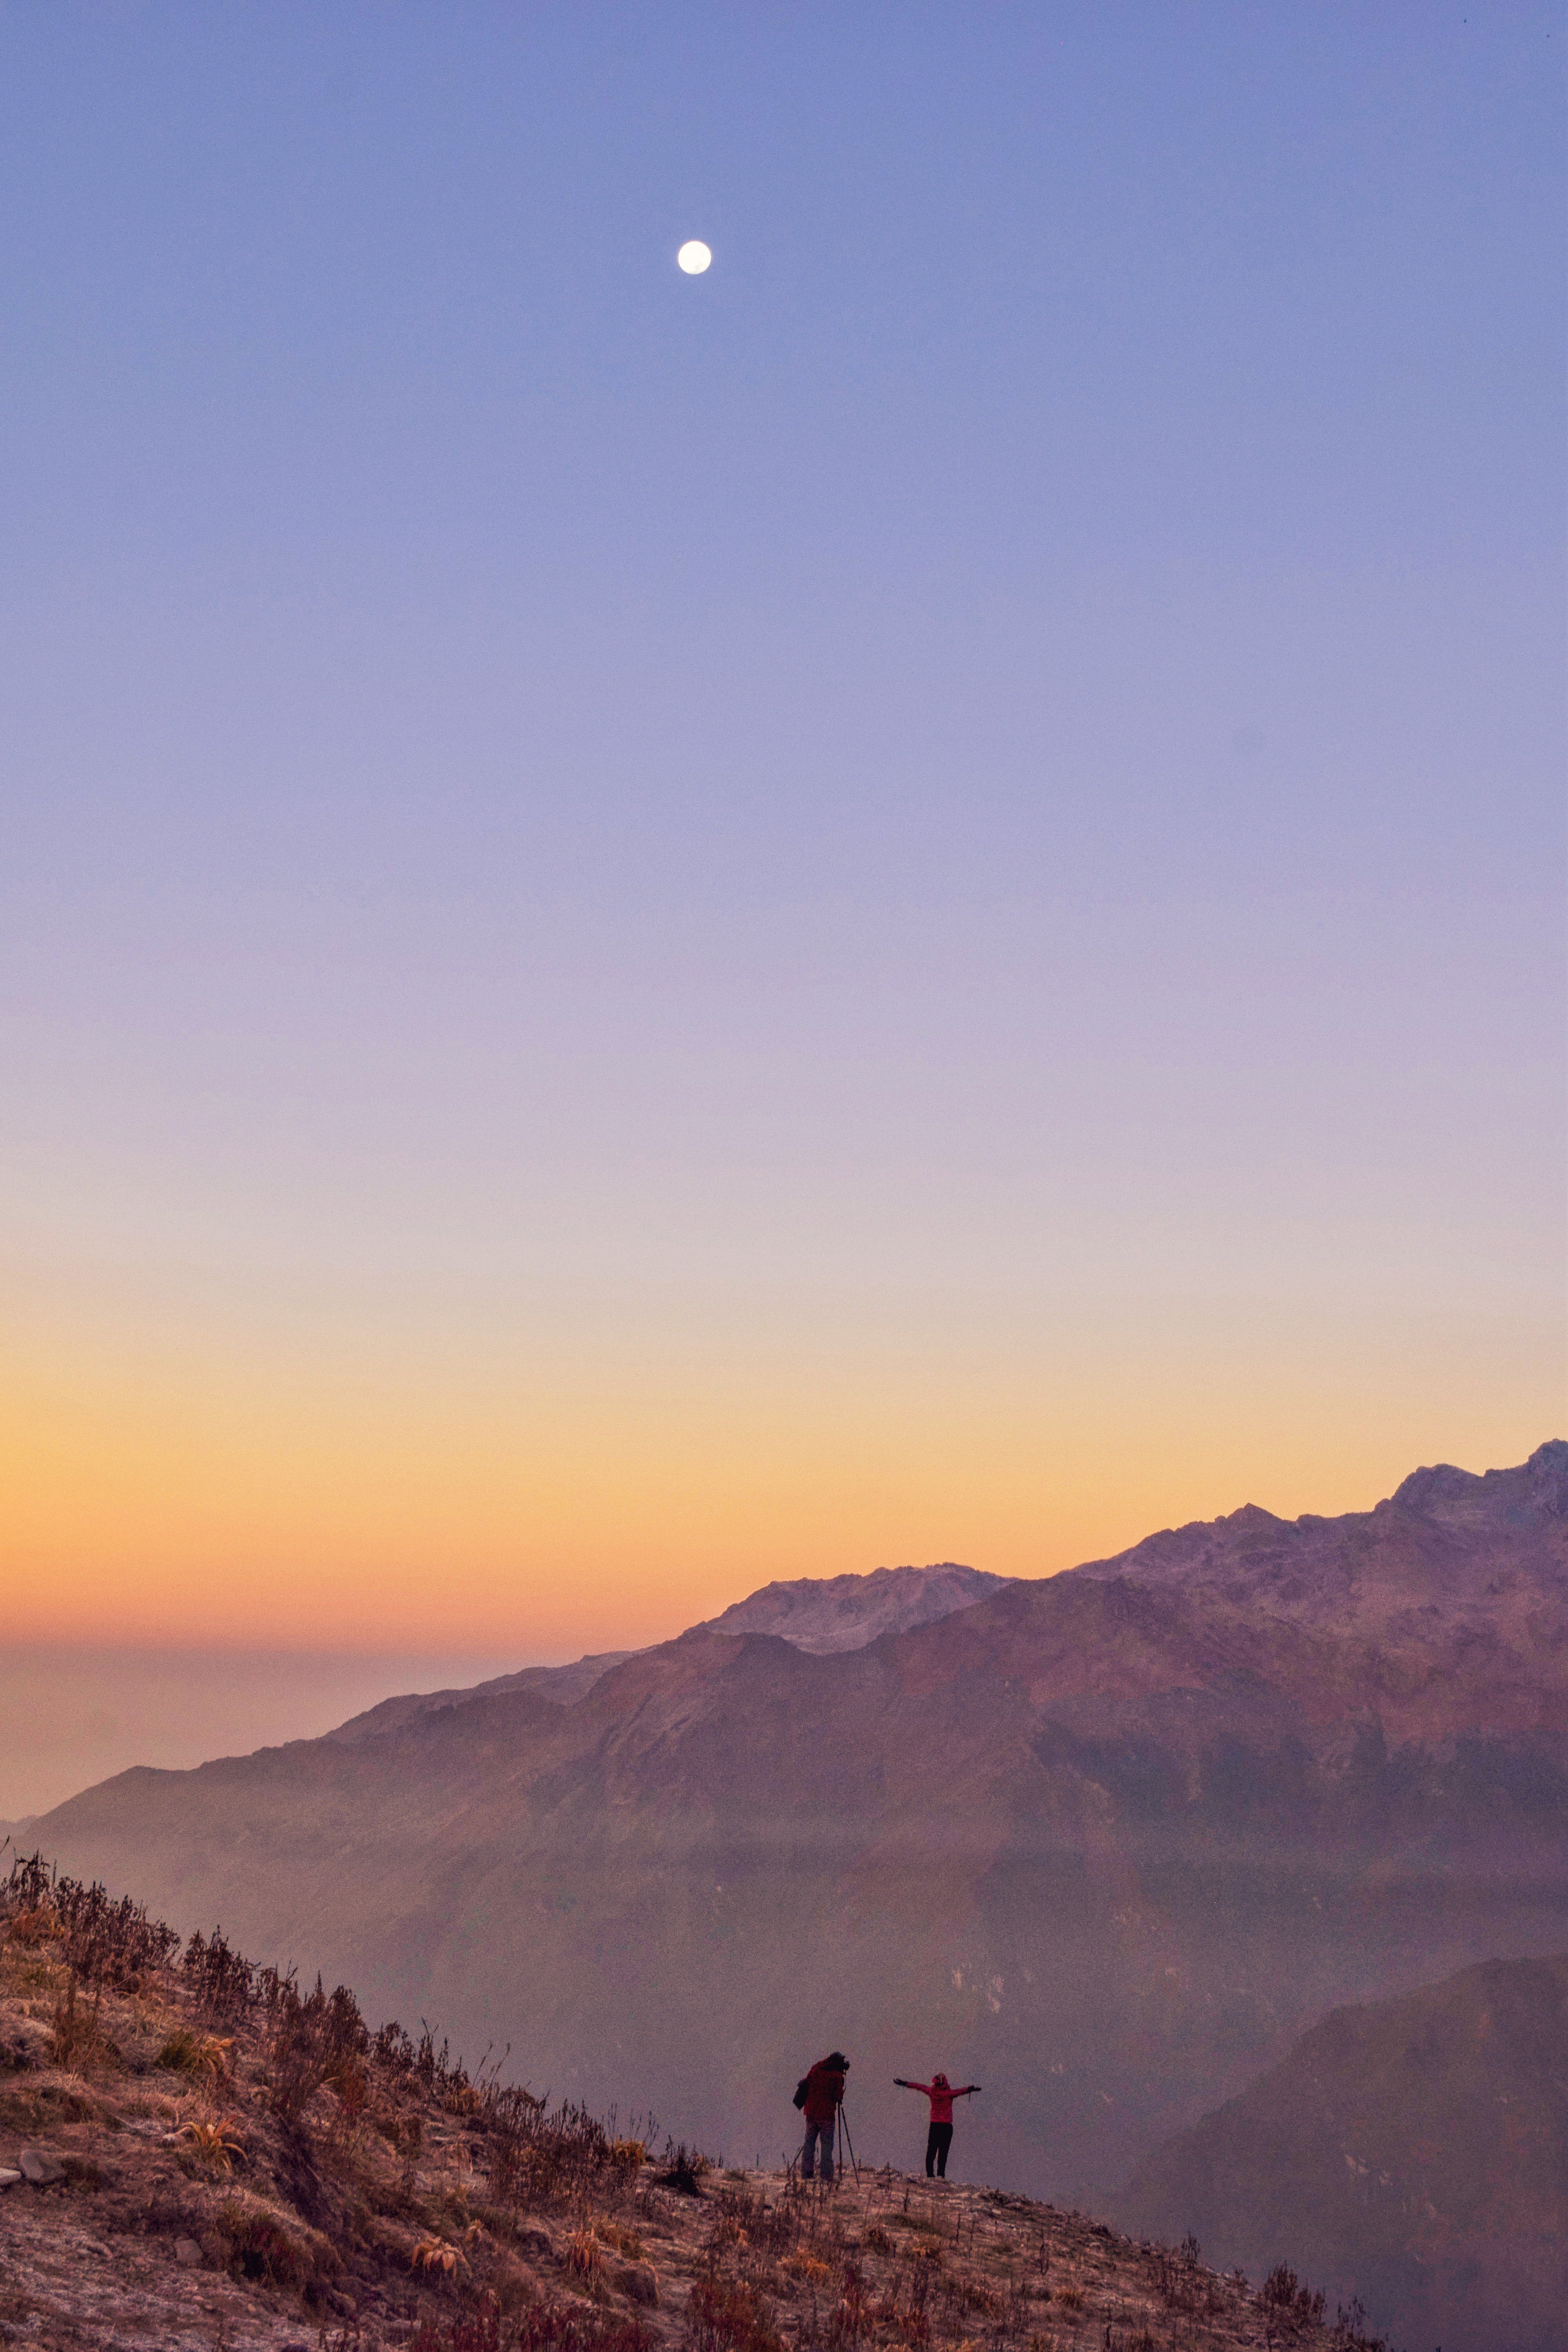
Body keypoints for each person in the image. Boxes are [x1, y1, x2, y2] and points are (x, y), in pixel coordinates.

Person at [893, 2071, 980, 2178]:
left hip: (935, 2126)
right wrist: (970, 2089)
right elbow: (961, 2092)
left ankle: (930, 2175)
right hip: (946, 2127)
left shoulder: (932, 2092)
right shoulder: (949, 2094)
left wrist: (906, 2083)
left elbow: (919, 2087)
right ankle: (941, 2176)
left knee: (931, 2152)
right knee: (943, 2154)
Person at [797, 2050, 849, 2182]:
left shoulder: (816, 2069)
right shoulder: (837, 2076)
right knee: (827, 2147)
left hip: (811, 2114)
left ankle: (806, 2174)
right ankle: (826, 2177)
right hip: (827, 2116)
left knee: (809, 2144)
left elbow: (807, 2084)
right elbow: (838, 2097)